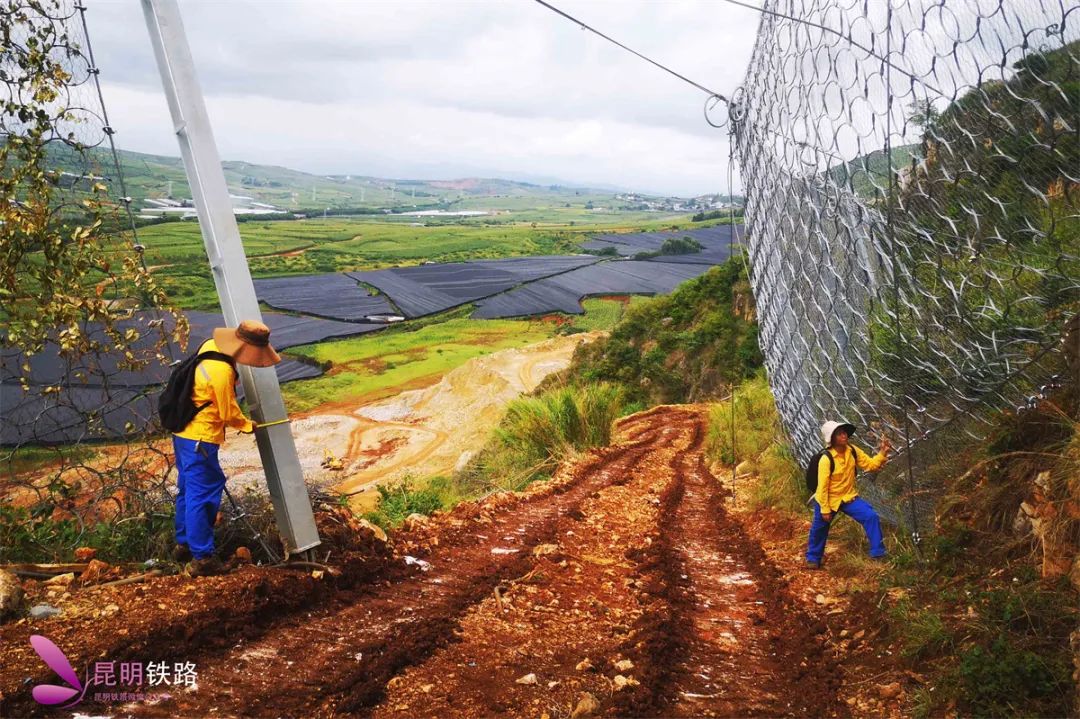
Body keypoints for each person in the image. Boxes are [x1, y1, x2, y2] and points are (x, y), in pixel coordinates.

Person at [172, 320, 281, 576]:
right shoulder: (221, 370)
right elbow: (228, 411)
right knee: (204, 493)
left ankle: (184, 543)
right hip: (201, 438)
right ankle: (203, 559)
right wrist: (246, 425)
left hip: (184, 434)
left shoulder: (210, 346)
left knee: (188, 490)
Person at [805, 420, 892, 569]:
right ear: (831, 439)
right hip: (827, 499)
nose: (844, 435)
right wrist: (825, 509)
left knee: (870, 516)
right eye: (839, 433)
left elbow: (870, 465)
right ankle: (813, 558)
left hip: (848, 497)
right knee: (819, 528)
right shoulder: (826, 459)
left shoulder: (852, 450)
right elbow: (823, 486)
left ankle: (878, 553)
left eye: (844, 432)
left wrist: (882, 453)